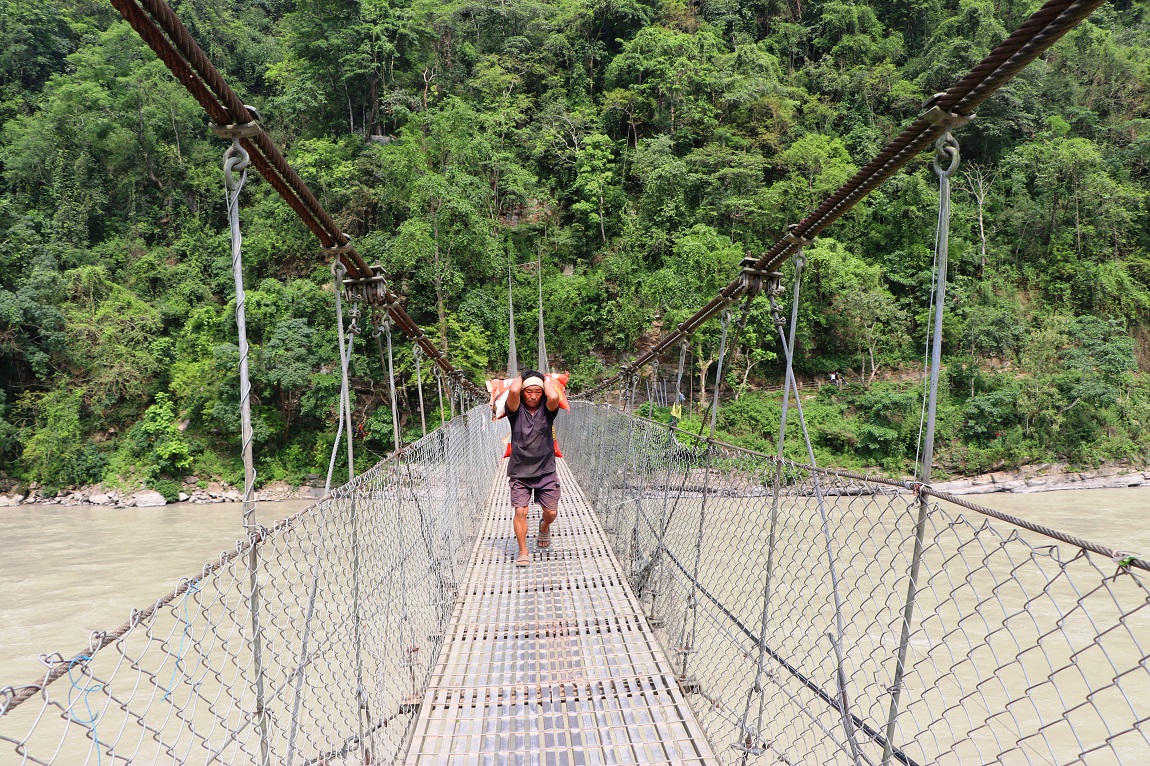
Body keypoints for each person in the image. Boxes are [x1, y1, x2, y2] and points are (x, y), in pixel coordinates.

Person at [505, 370, 562, 567]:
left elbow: (554, 395)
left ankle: (544, 526)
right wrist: (525, 375)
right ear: (522, 392)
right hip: (520, 471)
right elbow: (512, 391)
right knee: (520, 511)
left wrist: (543, 378)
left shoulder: (548, 410)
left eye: (538, 392)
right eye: (529, 392)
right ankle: (523, 551)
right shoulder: (515, 411)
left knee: (551, 513)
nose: (533, 396)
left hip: (546, 469)